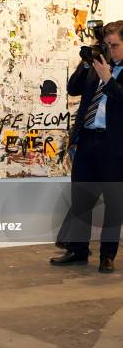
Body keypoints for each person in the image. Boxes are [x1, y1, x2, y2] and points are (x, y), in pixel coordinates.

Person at [51, 20, 123, 273]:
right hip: (88, 142)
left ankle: (107, 255)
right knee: (81, 200)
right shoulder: (98, 65)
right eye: (107, 45)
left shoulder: (110, 72)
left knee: (114, 203)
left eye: (114, 45)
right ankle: (78, 250)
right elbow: (72, 89)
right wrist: (86, 62)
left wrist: (110, 81)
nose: (110, 50)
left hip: (114, 147)